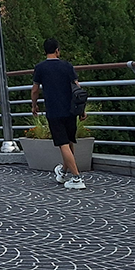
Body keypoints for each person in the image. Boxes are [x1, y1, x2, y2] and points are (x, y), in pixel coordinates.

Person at [32, 38, 86, 190]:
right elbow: (77, 89)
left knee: (63, 144)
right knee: (68, 142)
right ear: (57, 50)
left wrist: (34, 105)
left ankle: (76, 178)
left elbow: (35, 90)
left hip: (54, 110)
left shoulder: (40, 68)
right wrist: (82, 110)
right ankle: (63, 172)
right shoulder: (67, 66)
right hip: (70, 109)